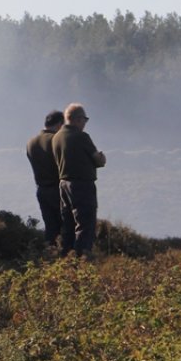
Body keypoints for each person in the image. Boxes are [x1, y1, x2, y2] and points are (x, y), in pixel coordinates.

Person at [51, 103, 106, 258]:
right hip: (82, 184)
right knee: (85, 223)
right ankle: (82, 260)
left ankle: (66, 258)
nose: (85, 123)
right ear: (77, 119)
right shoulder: (81, 137)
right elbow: (98, 160)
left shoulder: (56, 137)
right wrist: (101, 157)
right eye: (84, 120)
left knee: (68, 224)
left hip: (63, 184)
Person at [25, 110, 65, 252]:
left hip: (41, 189)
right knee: (65, 228)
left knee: (50, 228)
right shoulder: (56, 140)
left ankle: (50, 256)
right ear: (60, 124)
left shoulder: (31, 142)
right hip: (58, 190)